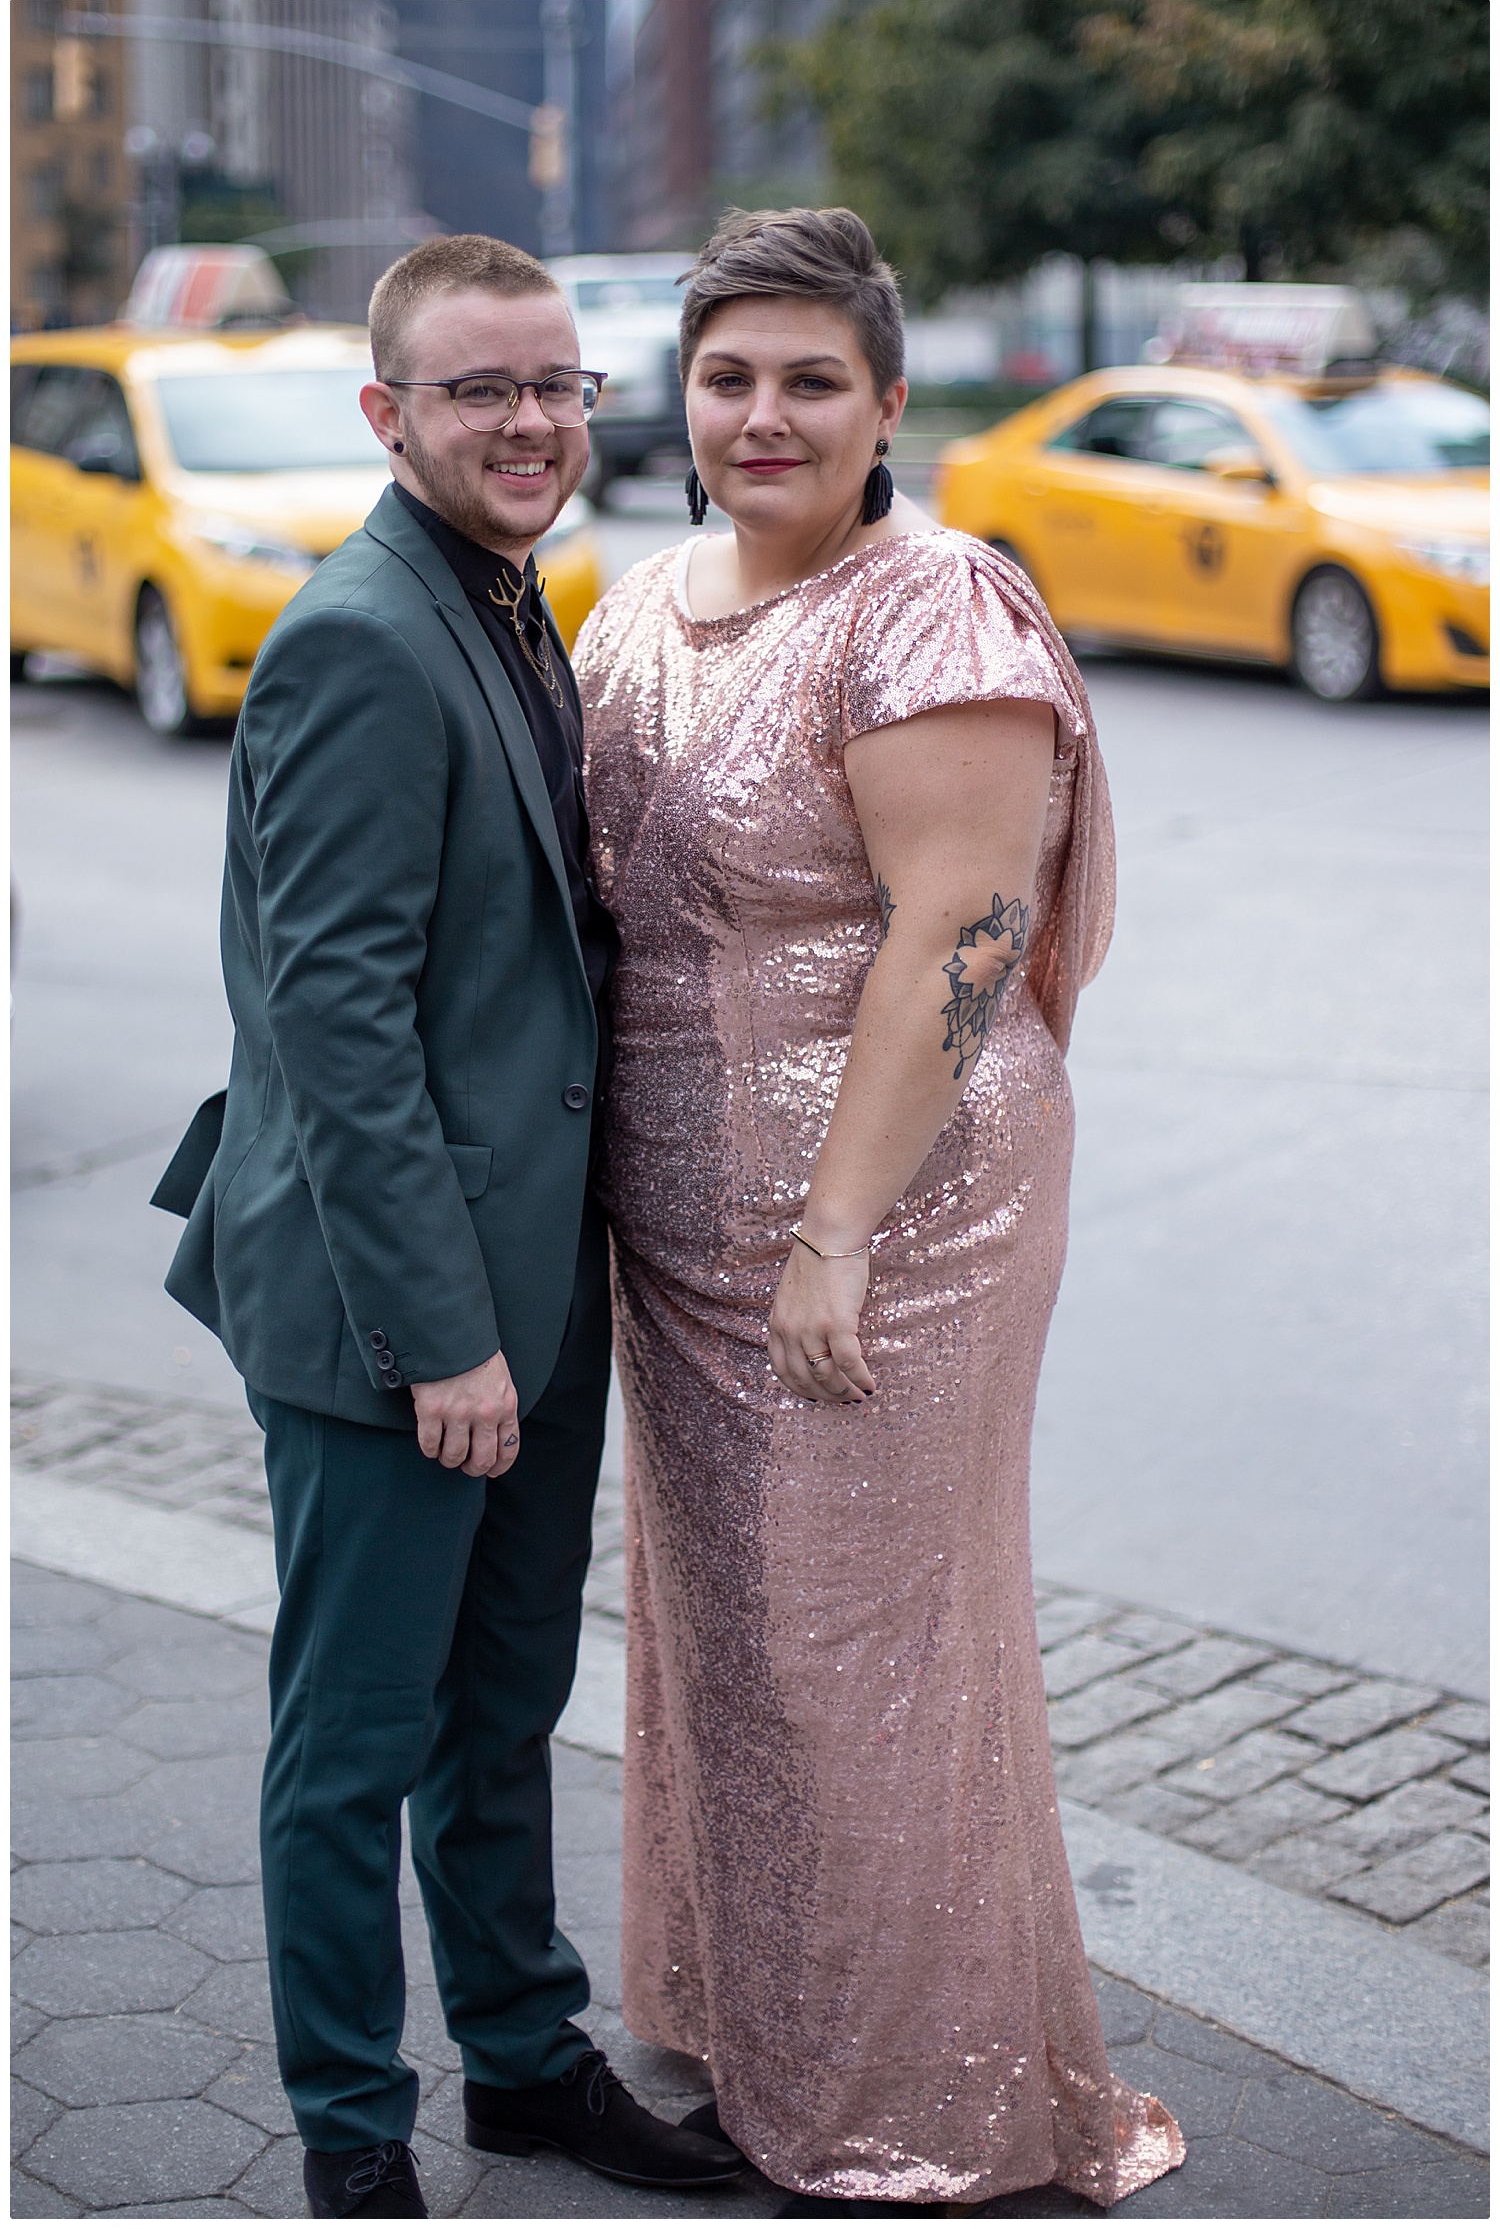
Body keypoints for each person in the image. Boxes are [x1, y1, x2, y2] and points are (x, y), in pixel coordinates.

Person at [574, 207, 1186, 2214]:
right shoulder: (641, 600)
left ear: (888, 404)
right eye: (731, 374)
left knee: (861, 1641)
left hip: (893, 1216)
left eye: (809, 379)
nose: (763, 413)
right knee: (726, 1630)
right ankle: (757, 2013)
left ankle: (928, 2092)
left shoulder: (940, 610)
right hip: (677, 1232)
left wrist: (834, 1227)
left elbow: (967, 923)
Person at [157, 234, 743, 2220]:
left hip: (527, 1289)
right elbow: (330, 1021)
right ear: (388, 413)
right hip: (390, 1317)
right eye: (480, 389)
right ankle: (348, 2137)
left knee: (499, 1715)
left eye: (555, 384)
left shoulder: (504, 597)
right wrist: (447, 1337)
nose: (529, 420)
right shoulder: (358, 634)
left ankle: (518, 2061)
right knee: (351, 1744)